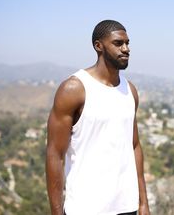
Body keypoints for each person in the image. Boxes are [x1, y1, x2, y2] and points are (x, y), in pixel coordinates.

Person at [46, 20, 150, 215]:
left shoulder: (130, 91)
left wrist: (143, 203)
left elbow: (134, 145)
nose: (126, 49)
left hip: (127, 207)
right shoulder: (74, 89)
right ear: (98, 46)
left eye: (128, 43)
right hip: (86, 208)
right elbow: (54, 154)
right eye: (118, 43)